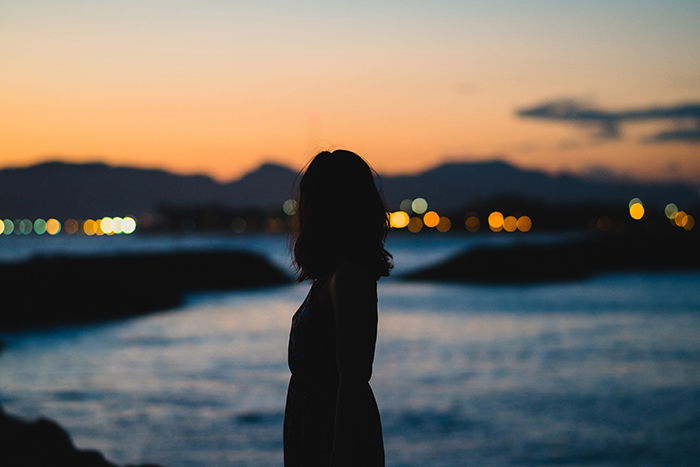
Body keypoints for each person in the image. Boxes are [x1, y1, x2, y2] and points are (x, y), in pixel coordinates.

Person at [284, 149, 392, 466]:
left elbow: (354, 379)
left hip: (332, 439)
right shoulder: (332, 277)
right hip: (316, 430)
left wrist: (339, 455)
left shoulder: (349, 278)